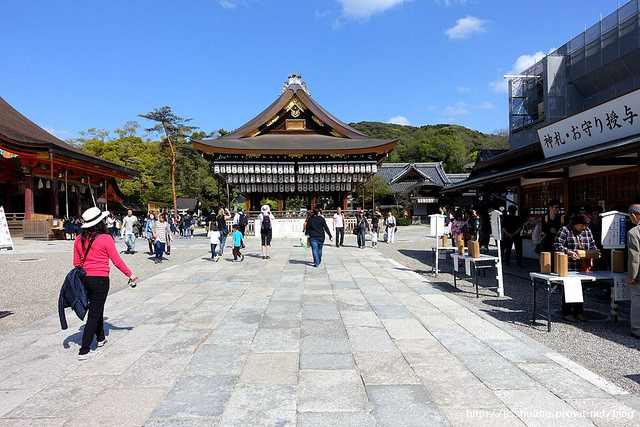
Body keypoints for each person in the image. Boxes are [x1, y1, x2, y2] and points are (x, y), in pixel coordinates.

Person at [73, 207, 138, 360]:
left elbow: (76, 263)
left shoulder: (78, 239)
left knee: (97, 308)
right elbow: (116, 260)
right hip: (100, 279)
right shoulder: (105, 238)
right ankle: (85, 349)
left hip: (84, 279)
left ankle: (101, 337)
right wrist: (130, 274)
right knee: (94, 314)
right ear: (100, 222)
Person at [554, 213, 600, 322]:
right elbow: (557, 245)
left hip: (583, 266)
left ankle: (579, 312)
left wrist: (595, 252)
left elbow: (592, 244)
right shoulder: (564, 230)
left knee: (581, 289)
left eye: (585, 226)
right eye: (581, 226)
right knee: (569, 289)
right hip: (568, 265)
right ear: (575, 223)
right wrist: (569, 252)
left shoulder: (587, 231)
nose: (583, 228)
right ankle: (567, 312)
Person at [626, 204, 640, 339]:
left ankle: (637, 329)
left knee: (637, 300)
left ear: (634, 216)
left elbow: (634, 257)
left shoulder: (634, 232)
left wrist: (632, 275)